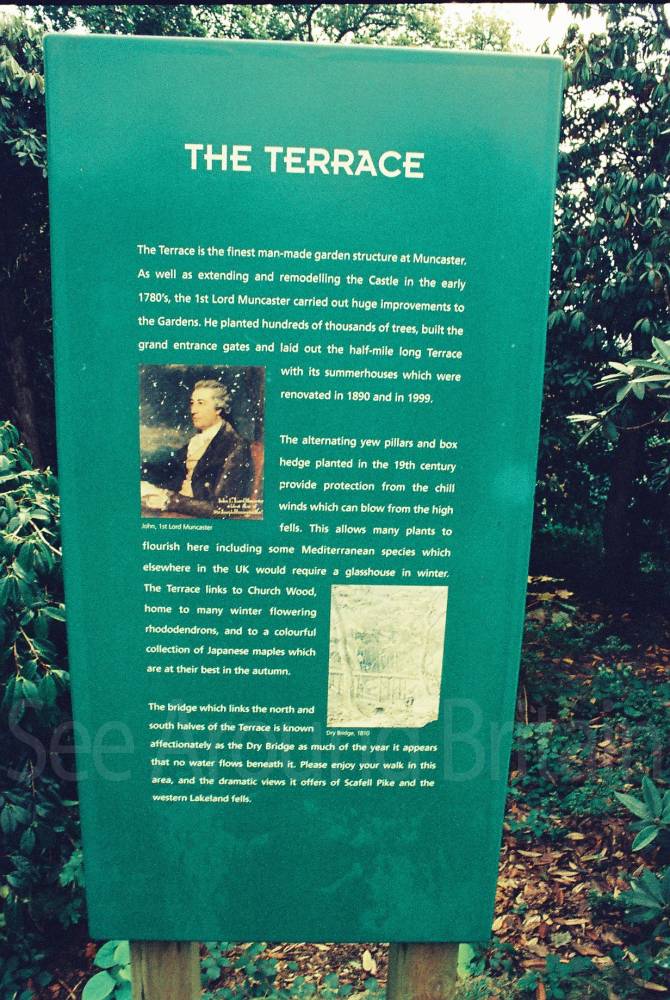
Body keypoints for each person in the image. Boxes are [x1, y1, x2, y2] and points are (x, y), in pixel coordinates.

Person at [141, 379, 254, 517]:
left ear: (219, 409)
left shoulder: (235, 446)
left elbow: (222, 508)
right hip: (178, 507)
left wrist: (169, 500)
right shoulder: (196, 441)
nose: (193, 410)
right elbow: (167, 468)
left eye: (201, 403)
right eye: (192, 403)